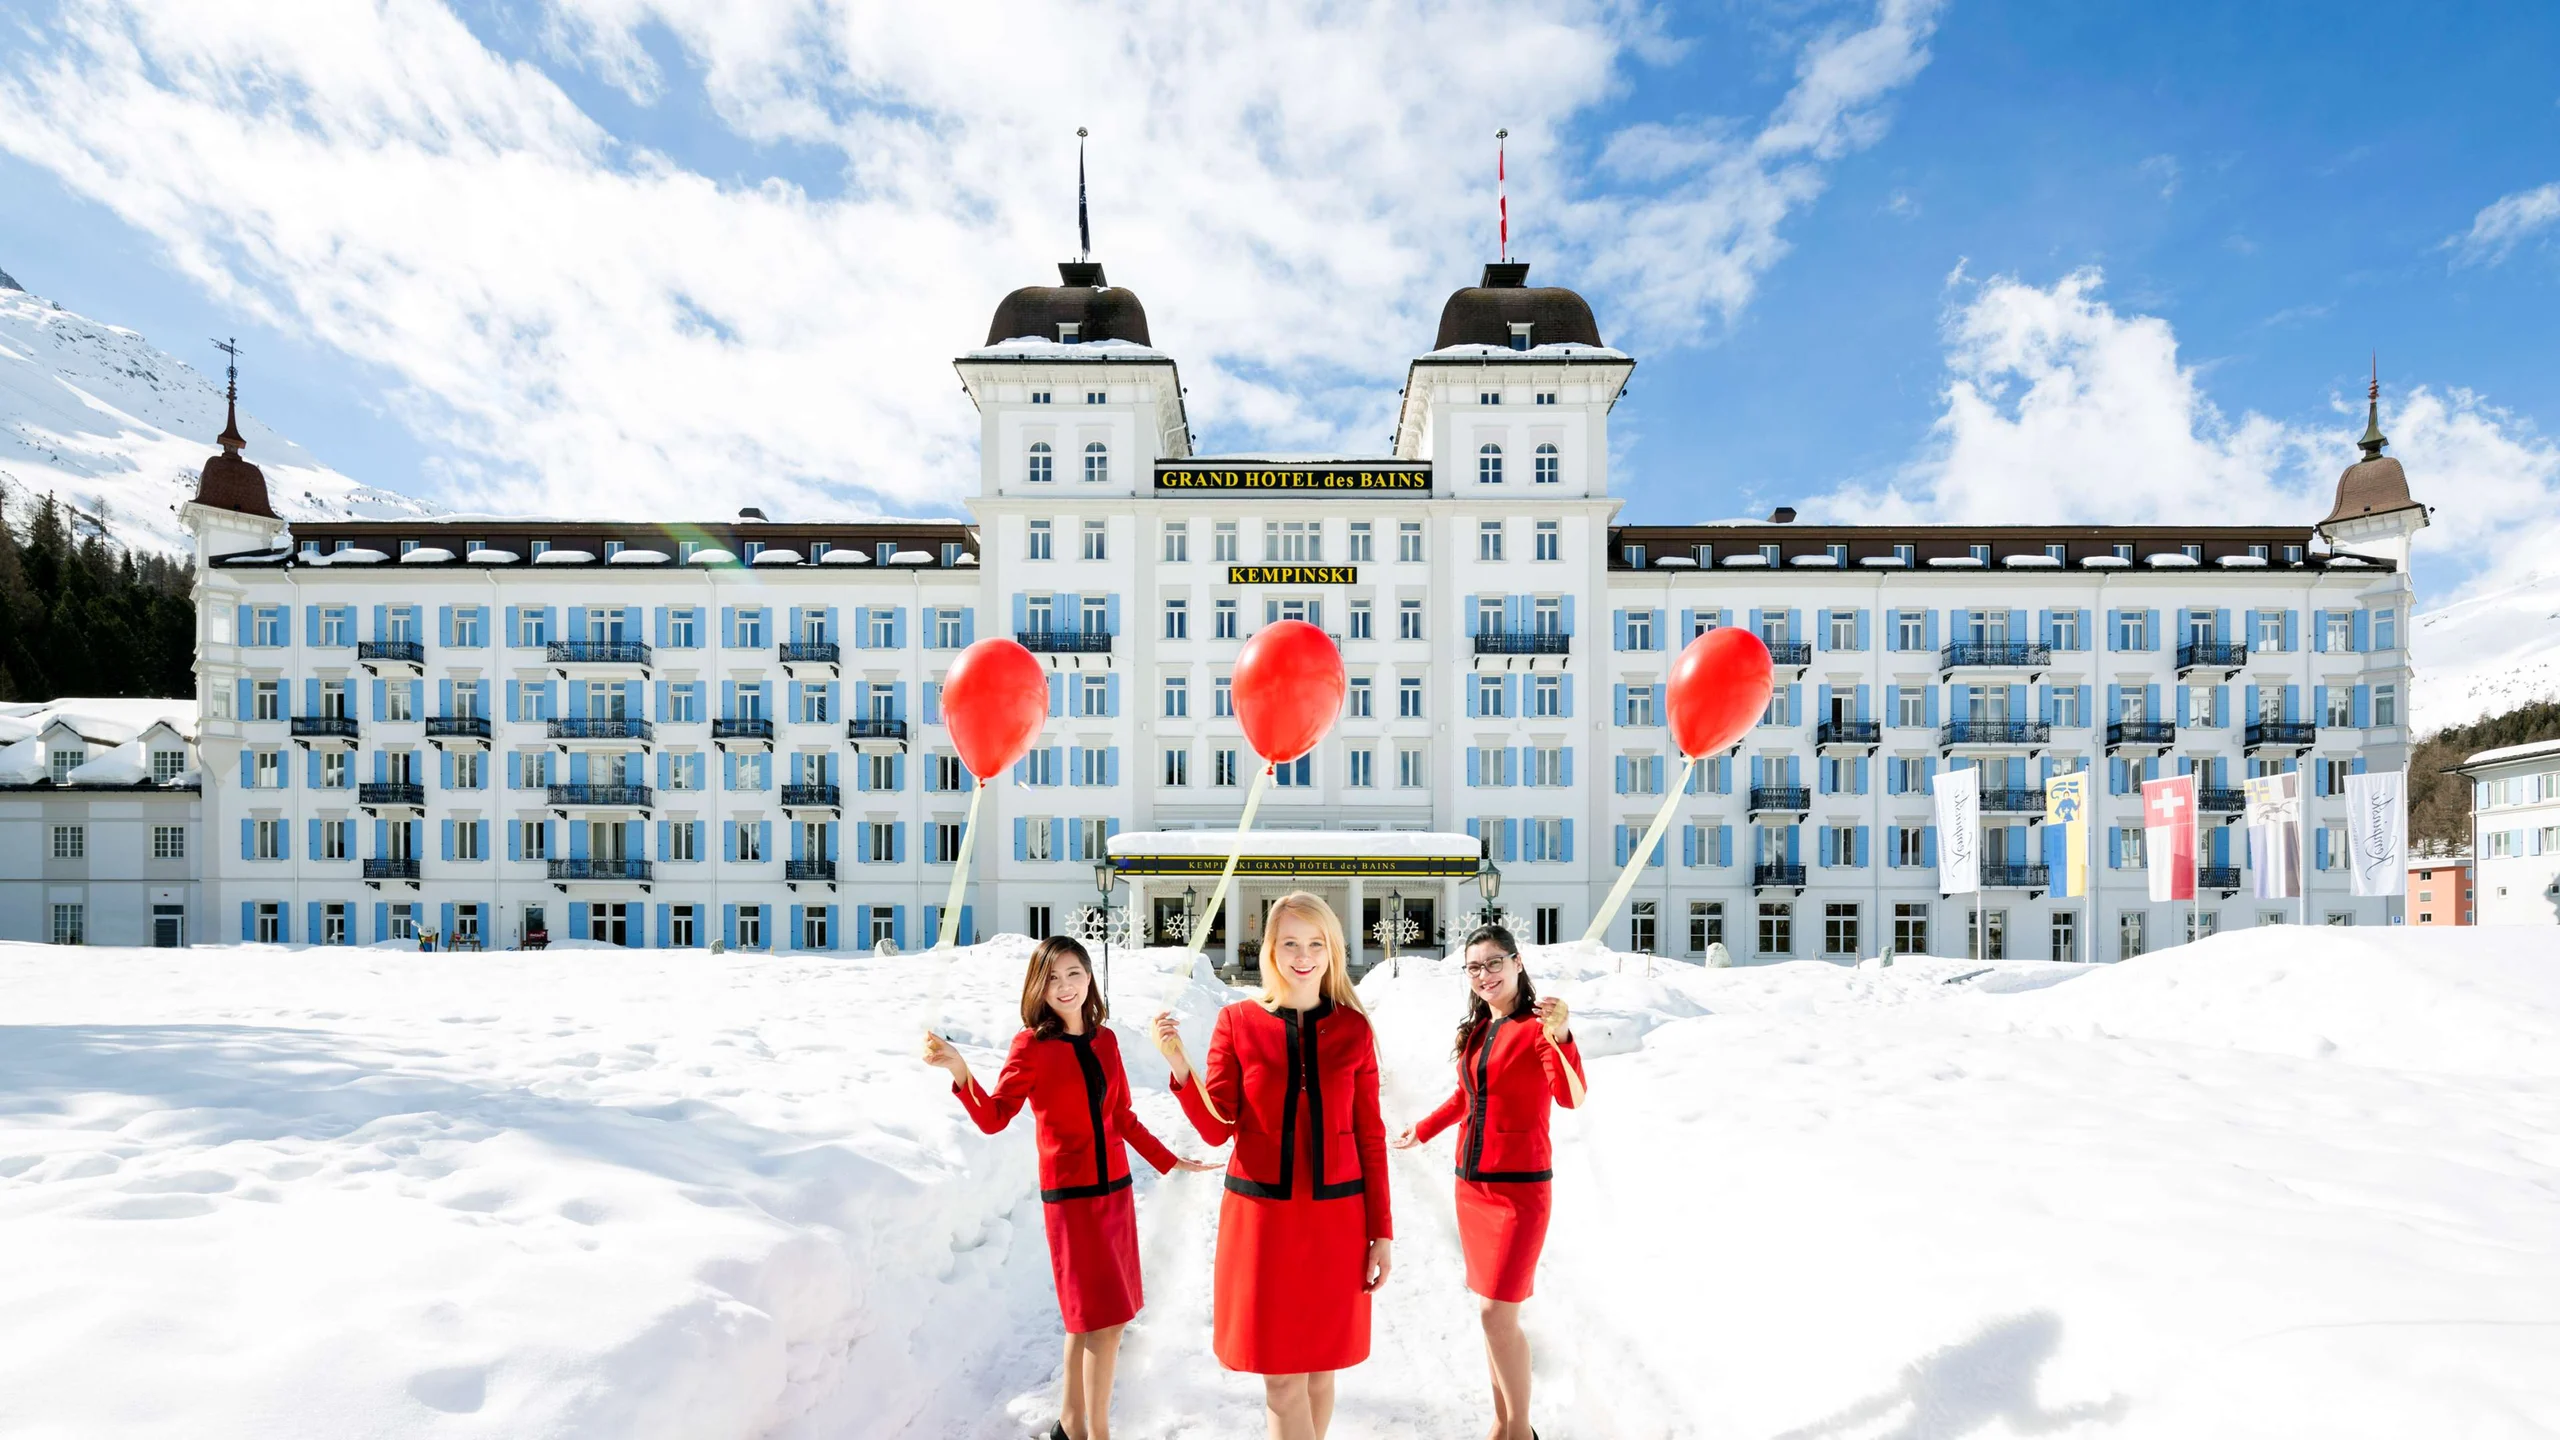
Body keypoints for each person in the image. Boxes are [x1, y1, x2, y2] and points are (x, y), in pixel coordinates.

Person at [925, 937, 1217, 1440]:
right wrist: (959, 1070)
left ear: (1089, 978)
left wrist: (1169, 1161)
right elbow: (995, 1118)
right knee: (1097, 1320)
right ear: (1038, 987)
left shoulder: (1106, 1041)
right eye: (1053, 977)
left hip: (1116, 1194)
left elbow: (1122, 1115)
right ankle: (1097, 1432)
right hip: (1073, 1202)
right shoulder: (1031, 1047)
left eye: (1074, 974)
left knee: (1103, 1320)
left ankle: (1071, 1425)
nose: (1064, 986)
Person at [1151, 892, 1392, 1440]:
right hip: (1262, 1222)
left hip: (1337, 1221)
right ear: (1270, 949)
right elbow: (1217, 1128)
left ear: (1331, 949)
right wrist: (1179, 1067)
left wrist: (1381, 1231)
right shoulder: (1237, 1022)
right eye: (1290, 942)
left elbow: (1371, 1138)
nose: (1302, 955)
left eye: (1315, 943)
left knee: (1321, 1370)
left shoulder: (1355, 1029)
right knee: (1282, 1380)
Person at [1391, 924, 1586, 1440]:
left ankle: (1520, 1432)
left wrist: (1562, 1037)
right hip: (1471, 1188)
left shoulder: (1538, 1027)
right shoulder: (1478, 1029)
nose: (1484, 975)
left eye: (1494, 962)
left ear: (1517, 963)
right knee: (1491, 1316)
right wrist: (1425, 1128)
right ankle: (1502, 1424)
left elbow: (1572, 1097)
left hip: (1520, 1192)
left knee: (1497, 1317)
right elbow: (1466, 1098)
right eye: (1474, 967)